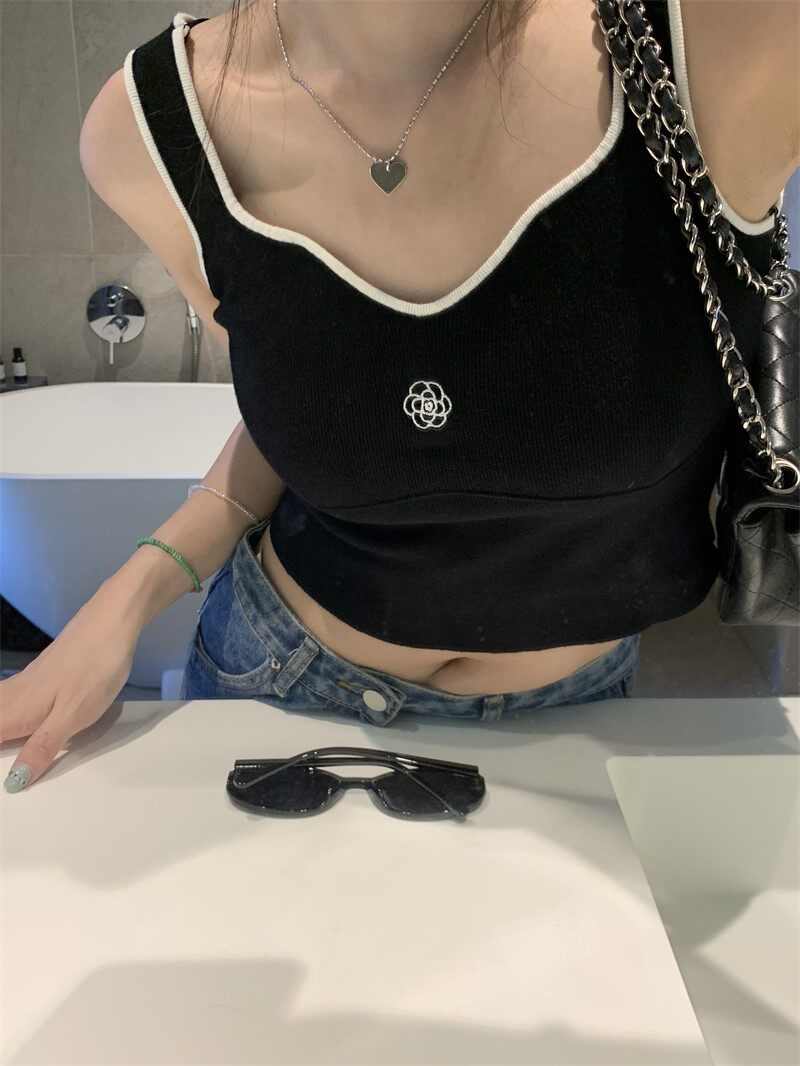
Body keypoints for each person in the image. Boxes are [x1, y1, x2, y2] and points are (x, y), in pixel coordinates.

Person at [2, 0, 797, 793]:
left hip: (575, 717)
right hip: (280, 687)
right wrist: (126, 599)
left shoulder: (724, 36)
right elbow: (331, 413)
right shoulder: (151, 128)